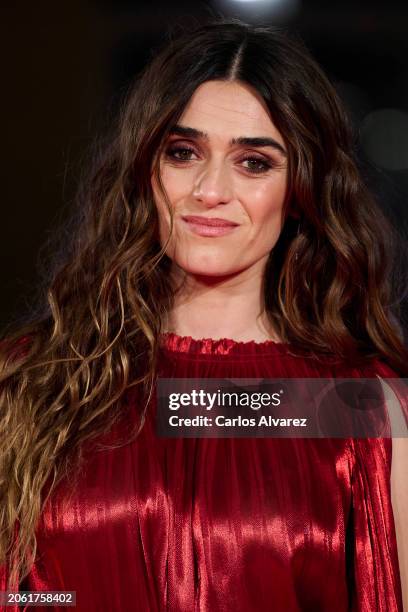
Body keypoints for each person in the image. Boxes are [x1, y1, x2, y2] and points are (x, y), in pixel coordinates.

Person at [0, 18, 407, 612]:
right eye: (183, 153)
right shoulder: (35, 380)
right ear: (147, 168)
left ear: (303, 189)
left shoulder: (361, 408)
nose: (210, 190)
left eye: (254, 163)